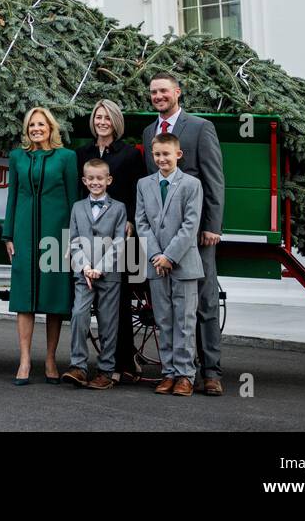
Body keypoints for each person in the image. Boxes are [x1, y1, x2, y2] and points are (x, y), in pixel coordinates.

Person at [141, 71, 226, 396]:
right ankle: (176, 371)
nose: (158, 96)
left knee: (203, 303)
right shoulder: (151, 131)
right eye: (153, 92)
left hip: (195, 233)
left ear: (177, 91)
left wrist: (212, 226)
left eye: (163, 90)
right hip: (160, 236)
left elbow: (213, 178)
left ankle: (211, 372)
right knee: (165, 307)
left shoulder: (200, 128)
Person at [2, 106, 78, 385]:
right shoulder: (17, 157)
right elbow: (12, 196)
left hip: (57, 235)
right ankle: (24, 361)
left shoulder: (67, 158)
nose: (36, 129)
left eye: (41, 124)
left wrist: (74, 238)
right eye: (31, 125)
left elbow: (74, 200)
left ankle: (49, 359)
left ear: (51, 128)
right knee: (24, 298)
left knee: (54, 298)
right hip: (23, 233)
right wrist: (8, 234)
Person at [74, 98, 145, 382]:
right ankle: (83, 364)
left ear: (115, 121)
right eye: (98, 117)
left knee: (118, 301)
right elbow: (81, 195)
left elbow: (136, 191)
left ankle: (121, 363)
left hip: (119, 231)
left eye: (107, 118)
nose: (101, 122)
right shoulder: (83, 153)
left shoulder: (128, 155)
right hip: (88, 235)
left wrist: (129, 220)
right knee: (84, 303)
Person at [135, 132, 204, 397]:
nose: (162, 159)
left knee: (184, 321)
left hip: (183, 263)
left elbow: (190, 225)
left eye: (166, 154)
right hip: (155, 263)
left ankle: (186, 374)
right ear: (152, 157)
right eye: (157, 154)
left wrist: (169, 256)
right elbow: (141, 221)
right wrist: (156, 255)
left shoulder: (191, 184)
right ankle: (168, 373)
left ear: (178, 155)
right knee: (163, 320)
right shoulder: (144, 184)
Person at [61, 158, 127, 390]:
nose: (95, 182)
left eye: (100, 178)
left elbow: (119, 241)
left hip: (108, 274)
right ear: (84, 181)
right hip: (84, 274)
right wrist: (85, 267)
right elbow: (74, 239)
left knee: (108, 322)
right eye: (91, 178)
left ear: (108, 180)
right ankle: (78, 366)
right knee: (79, 314)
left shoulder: (119, 208)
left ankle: (106, 371)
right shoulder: (78, 207)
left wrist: (100, 267)